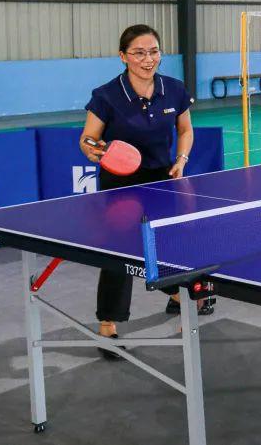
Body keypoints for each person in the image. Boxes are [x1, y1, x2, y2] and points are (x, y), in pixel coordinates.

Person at [79, 24, 206, 360]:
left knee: (168, 244)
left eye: (153, 51)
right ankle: (108, 324)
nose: (148, 59)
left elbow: (185, 129)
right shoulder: (107, 95)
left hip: (162, 178)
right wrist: (92, 148)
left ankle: (175, 293)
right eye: (138, 53)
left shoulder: (173, 89)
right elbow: (88, 138)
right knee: (120, 252)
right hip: (120, 182)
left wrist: (181, 160)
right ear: (123, 56)